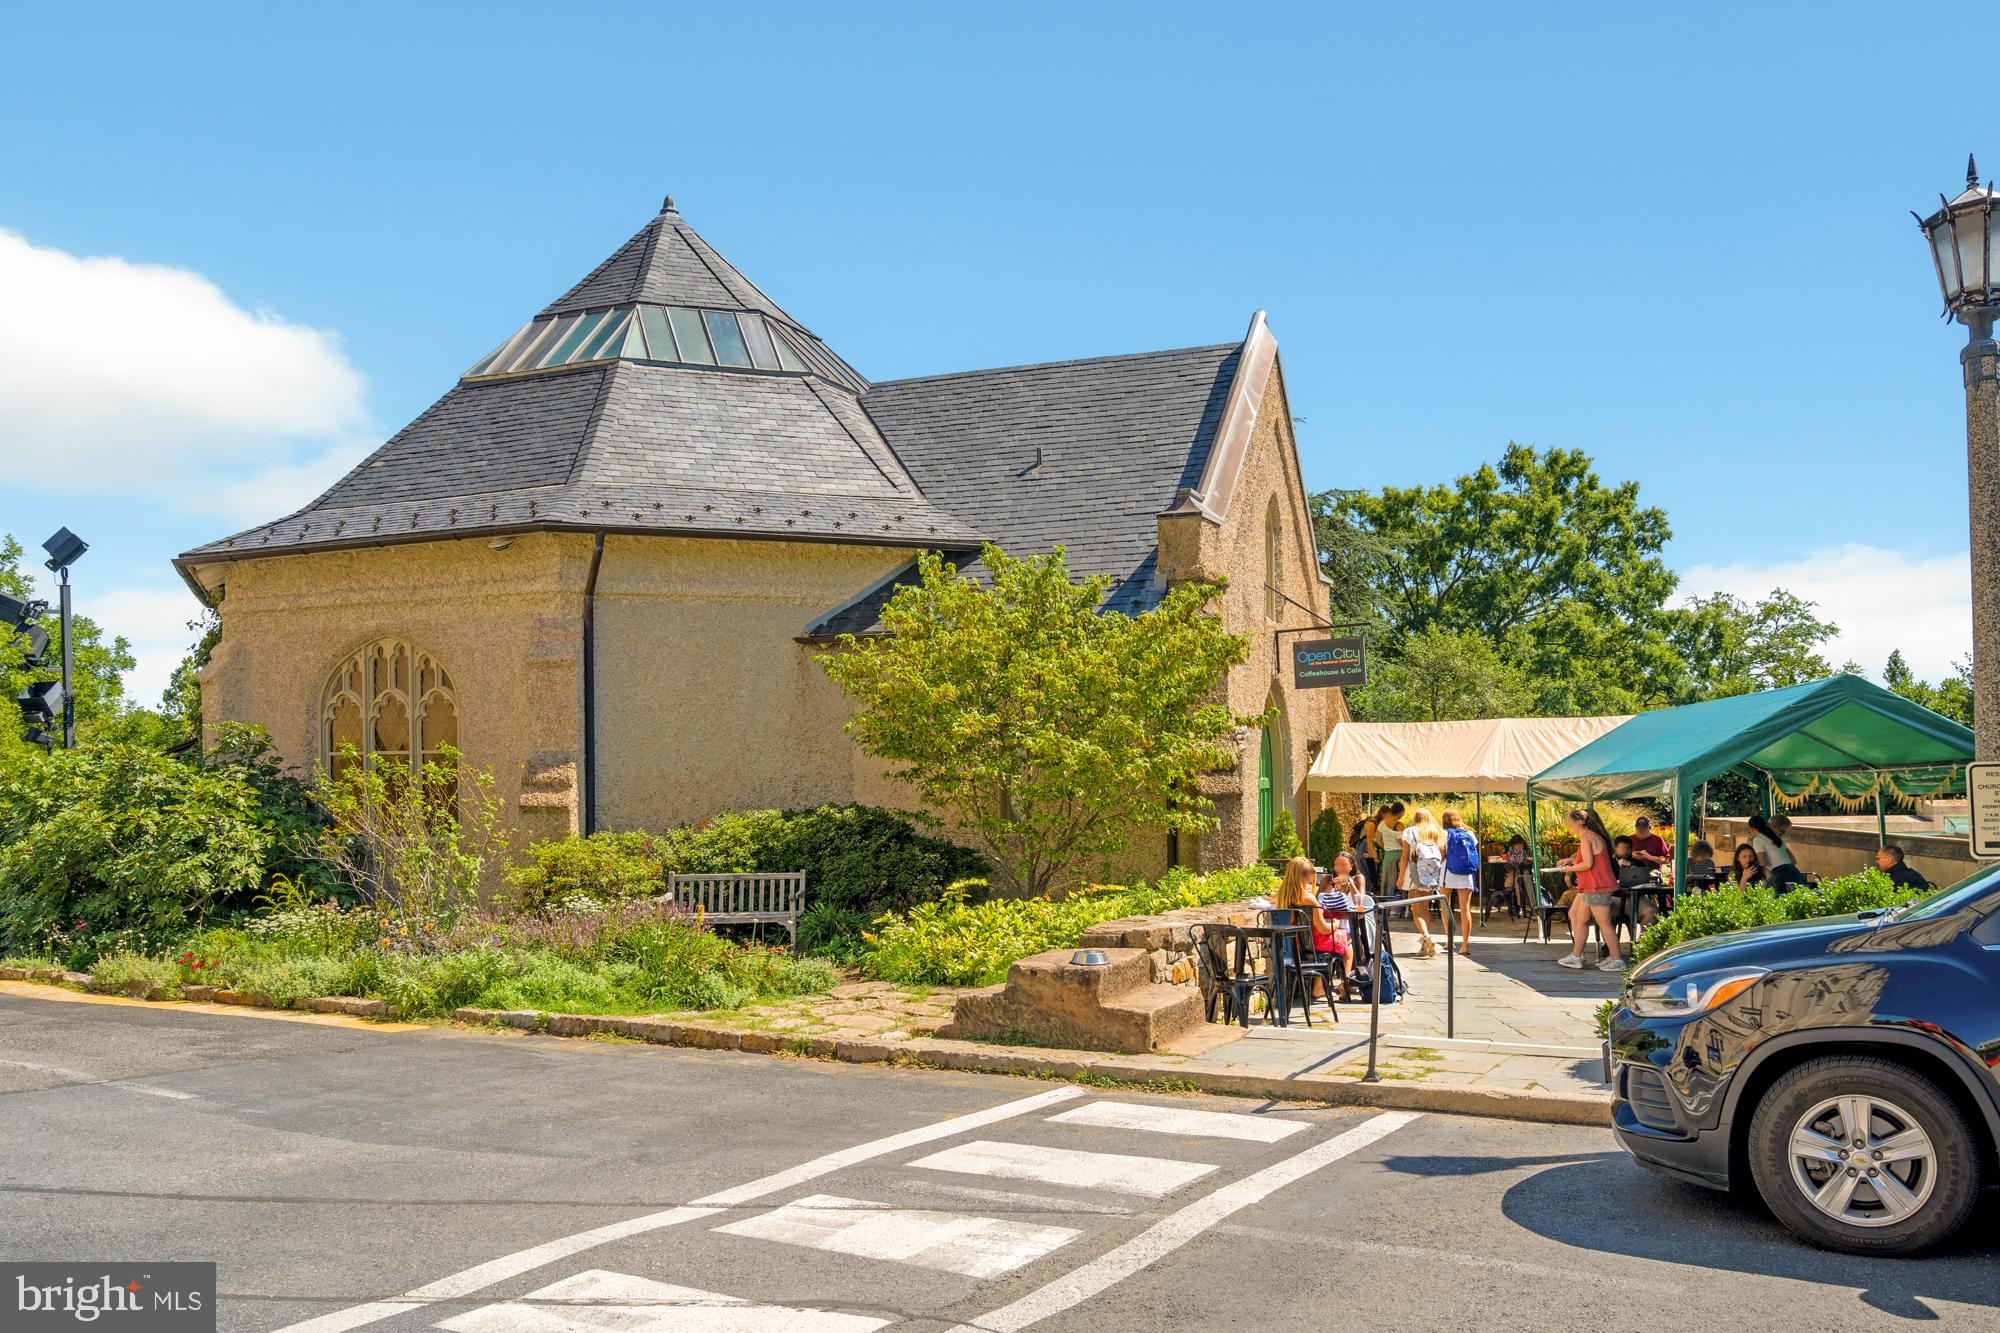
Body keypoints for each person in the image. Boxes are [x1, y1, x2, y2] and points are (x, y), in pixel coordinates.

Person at [1554, 807, 1623, 971]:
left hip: (1597, 886)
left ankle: (1617, 961)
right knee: (1580, 918)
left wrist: (1569, 869)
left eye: (1570, 823)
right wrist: (1571, 861)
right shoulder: (1592, 836)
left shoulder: (1587, 838)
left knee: (1604, 924)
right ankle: (1576, 957)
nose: (1568, 826)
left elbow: (1588, 864)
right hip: (1591, 887)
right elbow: (1590, 860)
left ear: (1579, 822)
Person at [1275, 856, 1341, 1004]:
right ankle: (1324, 987)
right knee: (1347, 940)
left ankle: (1323, 983)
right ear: (1295, 875)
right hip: (1310, 944)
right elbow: (1323, 929)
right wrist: (1336, 924)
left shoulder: (1282, 896)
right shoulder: (1308, 898)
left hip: (1293, 943)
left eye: (1312, 871)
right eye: (1305, 873)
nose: (1310, 875)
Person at [1398, 806, 1446, 958]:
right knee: (1424, 909)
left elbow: (1405, 857)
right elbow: (1442, 855)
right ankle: (1425, 946)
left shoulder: (1409, 832)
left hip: (1413, 875)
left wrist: (1400, 877)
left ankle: (1426, 936)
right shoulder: (1436, 832)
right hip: (1429, 876)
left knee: (1416, 910)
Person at [1441, 809, 1480, 955]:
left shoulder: (1444, 834)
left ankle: (1449, 941)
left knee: (1445, 907)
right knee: (1465, 909)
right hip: (1466, 873)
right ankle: (1465, 945)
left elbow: (1441, 854)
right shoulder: (1469, 833)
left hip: (1448, 872)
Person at [1746, 813, 1801, 890]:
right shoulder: (1777, 838)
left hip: (1779, 874)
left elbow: (1762, 863)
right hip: (1794, 871)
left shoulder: (1758, 839)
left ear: (1751, 828)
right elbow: (1793, 860)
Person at [1376, 802, 1406, 905]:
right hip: (1399, 856)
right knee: (1396, 881)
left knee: (1387, 881)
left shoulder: (1382, 823)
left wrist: (1386, 847)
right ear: (1401, 812)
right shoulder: (1399, 825)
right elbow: (1402, 842)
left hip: (1387, 855)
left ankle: (1385, 905)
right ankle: (1395, 906)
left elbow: (1378, 839)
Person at [1503, 834, 1534, 914]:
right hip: (1513, 872)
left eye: (1520, 845)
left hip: (1525, 872)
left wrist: (1527, 858)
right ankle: (1517, 906)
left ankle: (1519, 906)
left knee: (1516, 881)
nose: (1519, 847)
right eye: (1517, 845)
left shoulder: (1525, 851)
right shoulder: (1510, 851)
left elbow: (1533, 858)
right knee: (1513, 879)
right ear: (1513, 845)